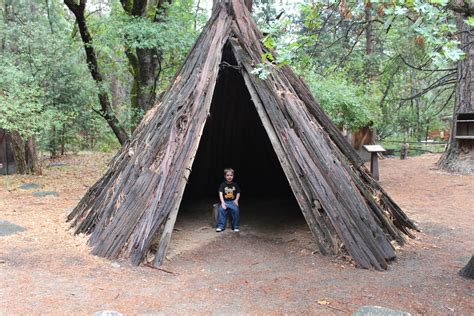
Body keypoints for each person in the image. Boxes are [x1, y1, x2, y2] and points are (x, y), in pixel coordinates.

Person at [216, 168, 240, 232]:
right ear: (225, 176)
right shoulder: (223, 185)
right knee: (221, 210)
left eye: (231, 175)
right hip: (225, 201)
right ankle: (220, 226)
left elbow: (238, 193)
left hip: (232, 201)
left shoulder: (235, 184)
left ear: (233, 176)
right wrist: (222, 202)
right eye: (227, 175)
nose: (229, 177)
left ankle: (235, 226)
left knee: (236, 210)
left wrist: (236, 200)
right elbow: (220, 193)